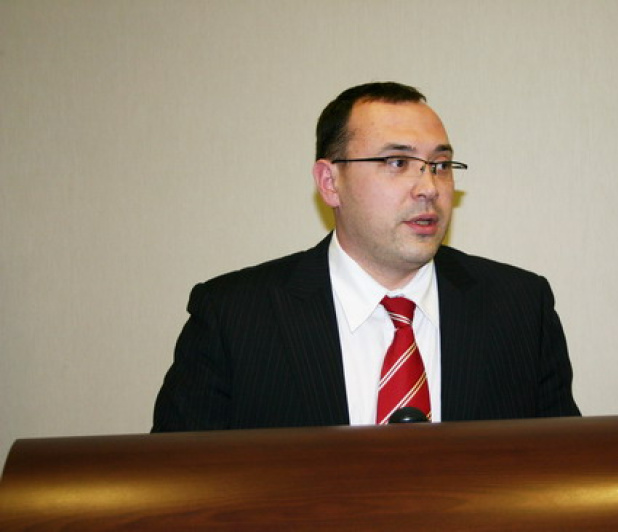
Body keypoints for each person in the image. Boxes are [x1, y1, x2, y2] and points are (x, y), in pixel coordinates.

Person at [152, 81, 579, 432]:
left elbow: (561, 475)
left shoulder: (521, 308)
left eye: (440, 165)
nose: (429, 188)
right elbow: (177, 482)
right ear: (330, 182)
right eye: (397, 162)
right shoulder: (233, 316)